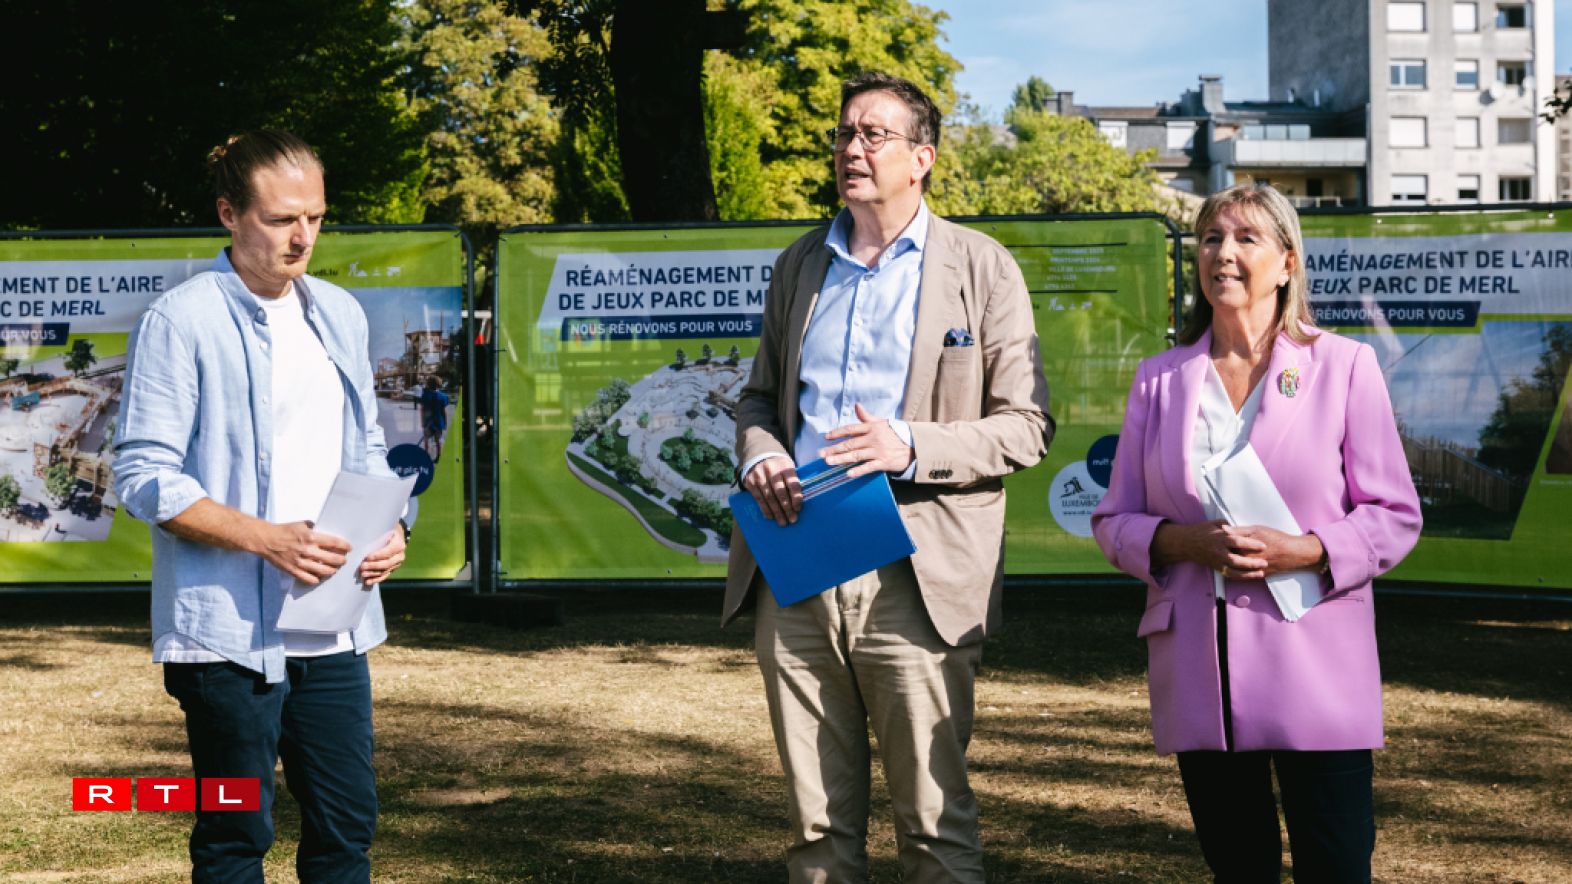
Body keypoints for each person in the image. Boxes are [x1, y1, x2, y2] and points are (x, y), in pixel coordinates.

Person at [724, 71, 1053, 883]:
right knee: (814, 827)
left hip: (916, 564)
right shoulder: (800, 263)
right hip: (797, 560)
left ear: (924, 158)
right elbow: (760, 398)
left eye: (874, 135)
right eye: (843, 133)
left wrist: (907, 445)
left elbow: (1026, 426)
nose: (851, 149)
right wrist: (762, 451)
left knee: (934, 824)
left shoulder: (981, 267)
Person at [1091, 183, 1422, 883]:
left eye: (1246, 239)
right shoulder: (1158, 381)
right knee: (1237, 867)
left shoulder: (1345, 366)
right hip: (1202, 676)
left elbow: (1394, 515)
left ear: (1288, 262)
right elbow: (1112, 520)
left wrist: (1304, 549)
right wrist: (1184, 543)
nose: (1225, 254)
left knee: (1335, 865)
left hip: (1317, 666)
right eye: (1212, 238)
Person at [113, 130, 407, 883]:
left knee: (349, 829)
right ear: (228, 214)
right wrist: (267, 540)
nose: (301, 235)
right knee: (236, 834)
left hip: (335, 625)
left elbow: (366, 448)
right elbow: (144, 475)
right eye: (281, 218)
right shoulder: (180, 320)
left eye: (314, 215)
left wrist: (392, 527)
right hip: (227, 636)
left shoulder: (338, 313)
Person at [419, 375, 450, 460]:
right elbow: (444, 412)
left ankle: (426, 456)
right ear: (439, 384)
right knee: (438, 440)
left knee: (426, 440)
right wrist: (445, 423)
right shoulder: (443, 396)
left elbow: (422, 410)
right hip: (439, 422)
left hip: (428, 422)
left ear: (429, 384)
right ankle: (439, 456)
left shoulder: (425, 395)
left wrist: (422, 422)